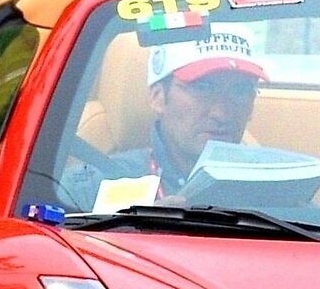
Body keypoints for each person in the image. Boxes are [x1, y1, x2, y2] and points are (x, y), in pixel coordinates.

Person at [66, 28, 266, 209]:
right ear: (158, 97)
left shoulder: (273, 188)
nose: (221, 113)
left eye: (240, 91)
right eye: (202, 88)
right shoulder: (90, 186)